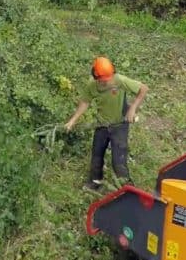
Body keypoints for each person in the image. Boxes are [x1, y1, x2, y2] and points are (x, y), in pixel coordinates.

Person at [64, 57, 149, 192]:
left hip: (119, 125)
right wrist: (72, 120)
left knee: (118, 160)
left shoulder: (119, 80)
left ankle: (127, 188)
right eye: (103, 79)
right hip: (102, 125)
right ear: (96, 76)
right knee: (97, 156)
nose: (107, 81)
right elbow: (85, 102)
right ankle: (94, 182)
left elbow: (143, 89)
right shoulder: (92, 86)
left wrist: (132, 108)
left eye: (108, 78)